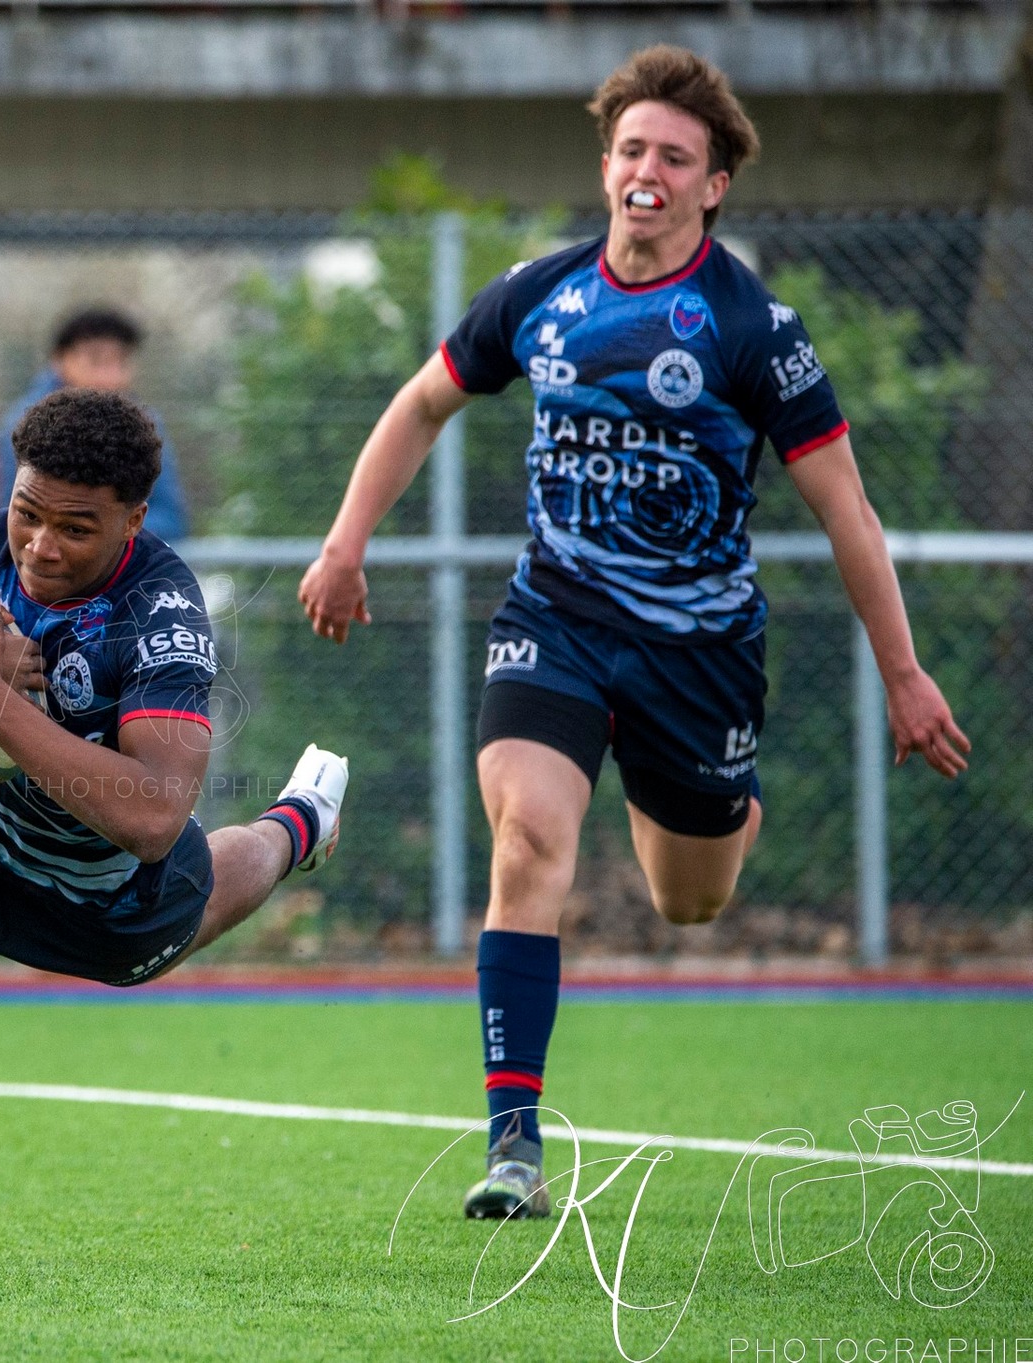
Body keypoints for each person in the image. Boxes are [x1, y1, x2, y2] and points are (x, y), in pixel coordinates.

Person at [297, 46, 970, 1219]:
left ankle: (725, 809)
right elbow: (419, 403)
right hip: (551, 621)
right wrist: (343, 543)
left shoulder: (749, 326)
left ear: (712, 186)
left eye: (673, 156)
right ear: (603, 166)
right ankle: (513, 1144)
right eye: (629, 151)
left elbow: (846, 510)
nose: (645, 172)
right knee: (526, 846)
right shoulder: (539, 295)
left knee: (687, 901)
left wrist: (903, 675)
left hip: (694, 654)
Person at [0, 387, 349, 986]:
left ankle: (300, 821)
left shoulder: (160, 612)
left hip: (107, 897)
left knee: (207, 889)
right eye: (26, 513)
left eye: (75, 529)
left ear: (132, 521)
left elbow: (156, 818)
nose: (40, 547)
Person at [0, 308, 191, 543]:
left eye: (120, 362)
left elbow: (170, 518)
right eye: (96, 361)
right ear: (60, 360)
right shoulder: (25, 425)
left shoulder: (145, 425)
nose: (110, 376)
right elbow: (12, 517)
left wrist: (103, 529)